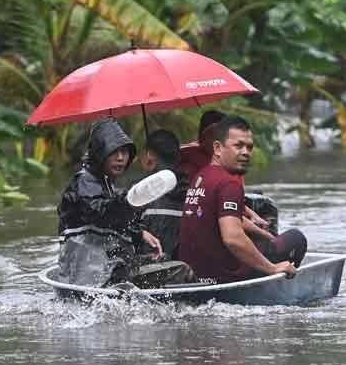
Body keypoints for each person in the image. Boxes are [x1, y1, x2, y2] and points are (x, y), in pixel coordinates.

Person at [57, 118, 192, 288]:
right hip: (90, 276)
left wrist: (139, 233)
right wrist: (130, 203)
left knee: (163, 259)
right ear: (100, 153)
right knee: (181, 270)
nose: (121, 158)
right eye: (114, 152)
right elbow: (101, 213)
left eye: (124, 152)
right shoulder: (84, 182)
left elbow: (113, 222)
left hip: (109, 268)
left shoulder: (108, 185)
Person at [179, 116, 307, 284]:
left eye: (249, 147)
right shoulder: (229, 183)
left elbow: (230, 220)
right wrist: (272, 268)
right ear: (217, 148)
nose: (246, 152)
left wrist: (266, 236)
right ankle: (282, 280)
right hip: (224, 276)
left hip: (195, 275)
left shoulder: (200, 176)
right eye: (238, 146)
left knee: (264, 241)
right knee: (295, 237)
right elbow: (232, 237)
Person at [179, 109, 274, 244]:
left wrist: (252, 215)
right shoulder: (197, 168)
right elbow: (229, 226)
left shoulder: (224, 167)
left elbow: (228, 202)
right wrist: (266, 237)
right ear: (207, 138)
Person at [137, 128, 187, 260]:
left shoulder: (141, 196)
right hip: (185, 271)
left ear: (150, 156)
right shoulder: (191, 192)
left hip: (151, 271)